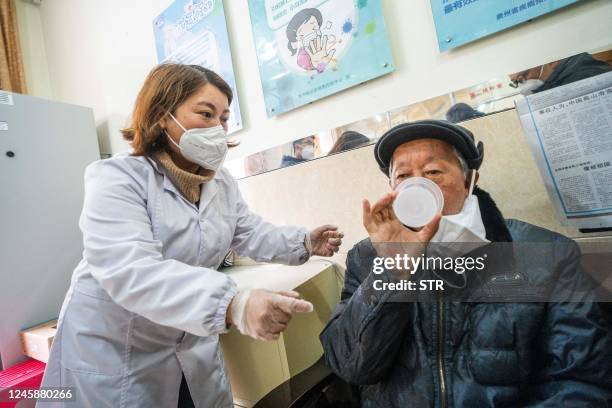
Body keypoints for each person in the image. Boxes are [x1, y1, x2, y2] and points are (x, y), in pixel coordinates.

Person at [38, 64, 343, 408]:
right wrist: (233, 303)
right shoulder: (117, 177)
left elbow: (249, 231)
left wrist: (302, 242)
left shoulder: (219, 182)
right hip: (117, 349)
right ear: (162, 115)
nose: (218, 128)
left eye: (224, 118)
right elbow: (130, 269)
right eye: (206, 113)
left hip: (189, 346)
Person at [320, 120, 612, 407]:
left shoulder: (546, 254)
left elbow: (581, 380)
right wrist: (393, 270)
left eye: (433, 171)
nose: (418, 186)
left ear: (470, 179)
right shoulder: (368, 257)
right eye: (403, 177)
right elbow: (352, 368)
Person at [510, 52, 611, 94]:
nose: (523, 84)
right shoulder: (552, 82)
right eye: (516, 82)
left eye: (523, 76)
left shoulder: (585, 74)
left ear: (551, 61)